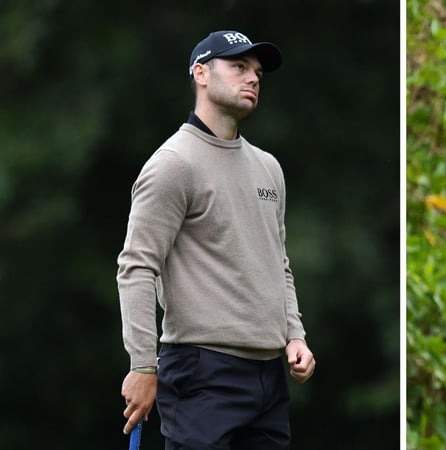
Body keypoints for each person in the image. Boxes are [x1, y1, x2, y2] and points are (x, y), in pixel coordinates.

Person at [117, 30, 316, 449]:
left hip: (269, 378)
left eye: (258, 72)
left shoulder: (269, 168)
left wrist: (294, 334)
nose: (253, 79)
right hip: (201, 374)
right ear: (201, 73)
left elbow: (278, 263)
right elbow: (137, 267)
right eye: (239, 67)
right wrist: (142, 366)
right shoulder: (173, 164)